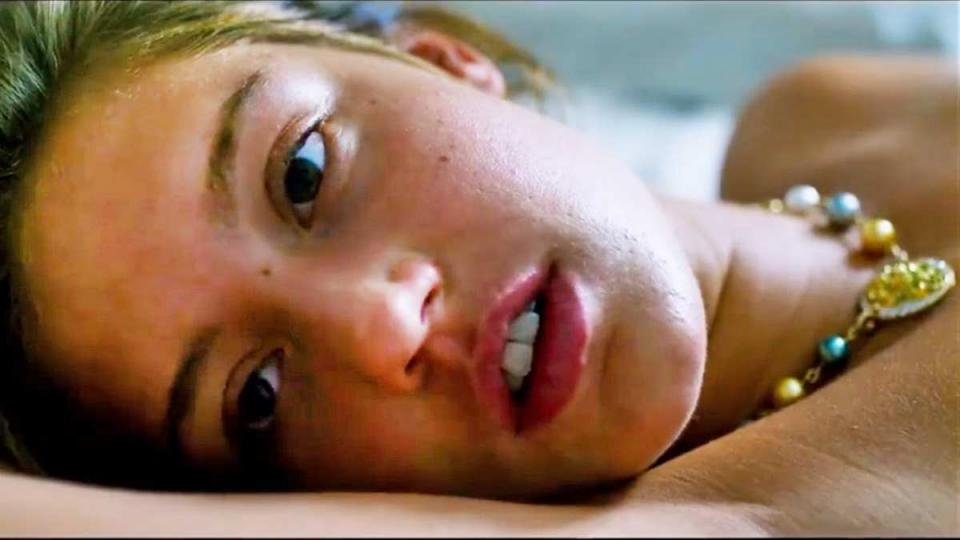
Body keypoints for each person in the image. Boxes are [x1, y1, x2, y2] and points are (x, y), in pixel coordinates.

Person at [0, 0, 956, 535]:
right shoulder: (754, 516)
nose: (384, 325)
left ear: (442, 58)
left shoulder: (821, 111)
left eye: (304, 173)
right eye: (257, 397)